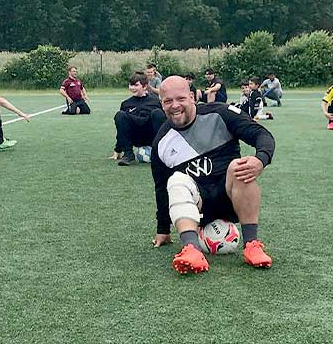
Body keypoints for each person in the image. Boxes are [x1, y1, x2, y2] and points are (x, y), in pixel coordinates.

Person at [150, 76, 274, 274]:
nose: (175, 106)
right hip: (198, 210)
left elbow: (261, 135)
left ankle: (252, 244)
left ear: (192, 96)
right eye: (168, 101)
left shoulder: (220, 113)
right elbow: (160, 188)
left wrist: (261, 159)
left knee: (238, 166)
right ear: (161, 103)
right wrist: (163, 229)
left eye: (180, 99)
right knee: (175, 181)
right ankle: (191, 248)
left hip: (231, 198)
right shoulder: (161, 143)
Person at [113, 72, 165, 165]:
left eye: (136, 85)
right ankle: (128, 154)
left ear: (145, 86)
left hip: (152, 136)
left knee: (157, 113)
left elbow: (164, 124)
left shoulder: (155, 101)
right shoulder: (126, 104)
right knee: (120, 115)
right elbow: (121, 129)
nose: (132, 88)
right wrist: (118, 149)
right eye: (130, 85)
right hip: (135, 137)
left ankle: (162, 153)